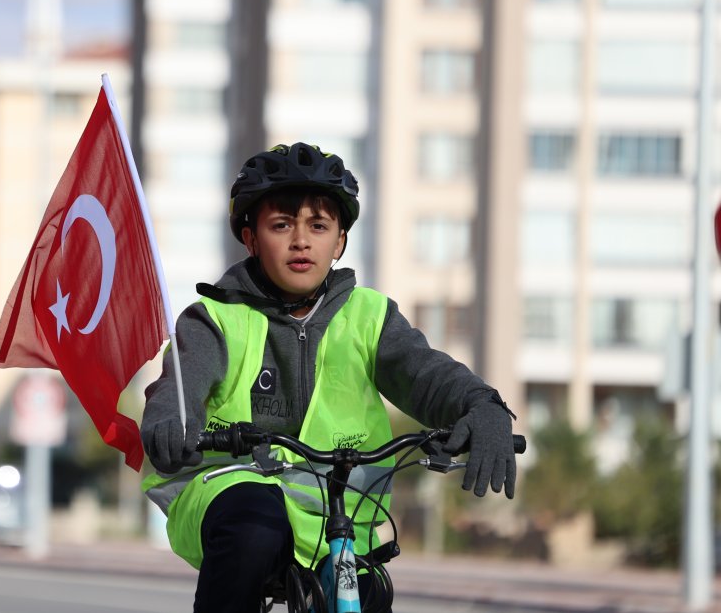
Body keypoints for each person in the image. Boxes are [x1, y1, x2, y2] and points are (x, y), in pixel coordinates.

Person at [140, 143, 518, 613]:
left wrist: (482, 405)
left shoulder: (369, 316)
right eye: (281, 225)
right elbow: (181, 385)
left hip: (335, 516)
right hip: (228, 494)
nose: (302, 241)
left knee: (368, 594)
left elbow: (426, 374)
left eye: (319, 226)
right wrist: (170, 421)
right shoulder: (213, 320)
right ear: (251, 238)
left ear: (339, 241)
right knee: (255, 527)